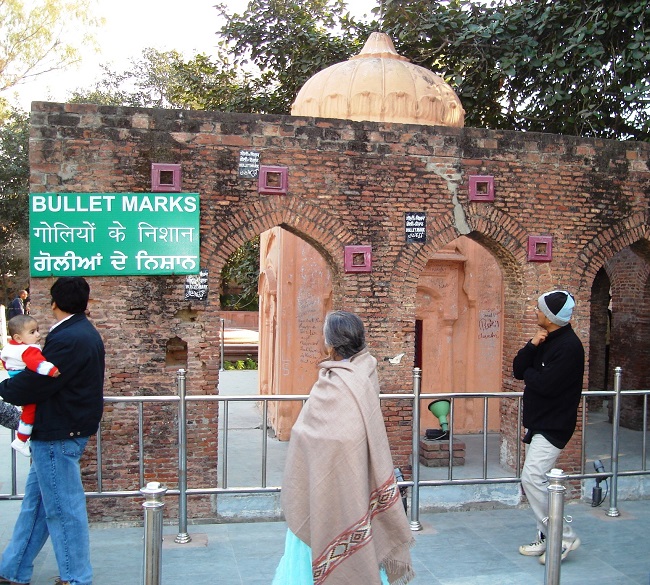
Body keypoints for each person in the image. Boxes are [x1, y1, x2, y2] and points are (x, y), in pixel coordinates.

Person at [272, 310, 415, 585]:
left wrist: (307, 435)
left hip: (332, 484)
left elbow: (322, 434)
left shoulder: (337, 379)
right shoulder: (366, 368)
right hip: (355, 480)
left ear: (331, 343)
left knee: (318, 536)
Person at [0, 277, 105, 585]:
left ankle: (76, 577)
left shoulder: (70, 337)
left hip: (59, 433)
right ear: (86, 302)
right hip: (60, 430)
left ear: (54, 303)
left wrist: (5, 388)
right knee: (37, 507)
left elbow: (40, 381)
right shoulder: (80, 332)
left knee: (62, 509)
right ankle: (13, 570)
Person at [513, 290, 584, 565]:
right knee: (536, 480)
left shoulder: (569, 347)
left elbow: (545, 385)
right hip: (538, 422)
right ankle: (546, 537)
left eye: (539, 310)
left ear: (551, 317)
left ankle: (563, 536)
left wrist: (533, 374)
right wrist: (531, 346)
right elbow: (519, 370)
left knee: (531, 478)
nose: (536, 312)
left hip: (554, 424)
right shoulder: (545, 339)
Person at [1, 314, 61, 457]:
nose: (38, 335)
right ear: (18, 338)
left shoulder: (9, 348)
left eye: (37, 330)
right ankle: (21, 440)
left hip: (14, 376)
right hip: (23, 379)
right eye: (32, 332)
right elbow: (37, 364)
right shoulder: (29, 349)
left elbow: (5, 363)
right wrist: (52, 370)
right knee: (29, 413)